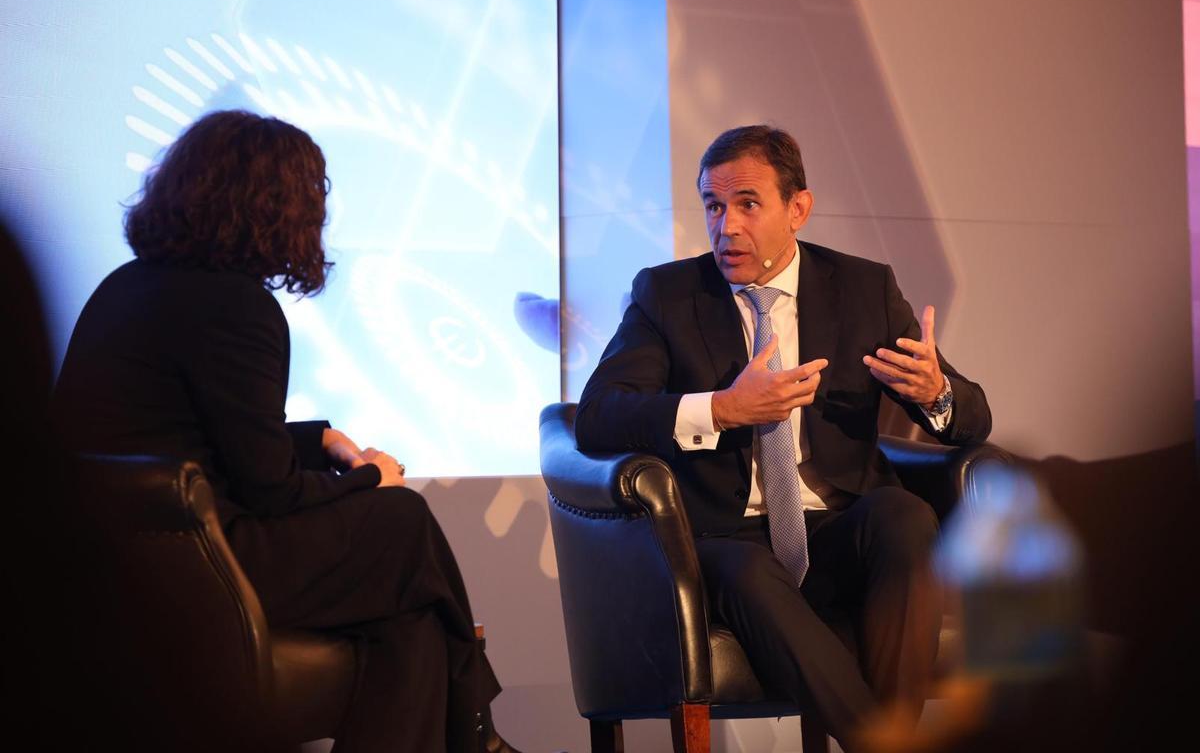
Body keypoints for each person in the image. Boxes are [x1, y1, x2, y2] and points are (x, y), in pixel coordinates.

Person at [51, 110, 520, 753]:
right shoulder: (238, 307)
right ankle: (479, 735)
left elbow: (201, 432)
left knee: (408, 623)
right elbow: (269, 490)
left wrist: (320, 438)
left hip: (130, 561)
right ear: (276, 206)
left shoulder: (125, 287)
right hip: (209, 561)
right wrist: (367, 480)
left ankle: (477, 735)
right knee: (401, 520)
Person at [574, 125, 992, 750]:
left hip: (835, 530)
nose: (726, 226)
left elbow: (974, 419)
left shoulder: (862, 288)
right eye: (713, 206)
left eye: (747, 204)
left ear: (797, 208)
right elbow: (598, 415)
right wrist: (720, 409)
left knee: (903, 513)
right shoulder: (668, 294)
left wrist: (936, 393)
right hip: (723, 538)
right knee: (745, 567)